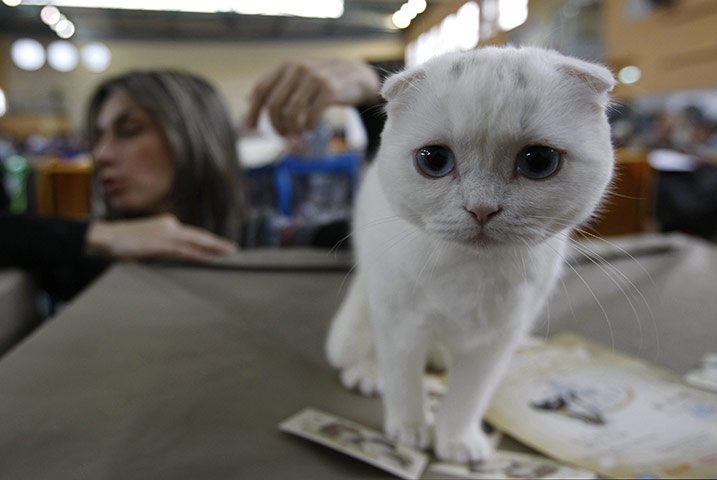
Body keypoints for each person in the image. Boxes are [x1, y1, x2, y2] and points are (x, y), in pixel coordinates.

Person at [1, 70, 242, 301]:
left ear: (193, 137)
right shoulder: (92, 259)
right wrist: (101, 236)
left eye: (129, 131)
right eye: (98, 138)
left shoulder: (263, 238)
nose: (100, 155)